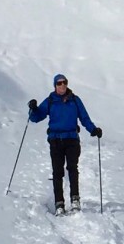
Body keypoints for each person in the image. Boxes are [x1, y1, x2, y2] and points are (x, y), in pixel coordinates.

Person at [27, 74, 101, 214]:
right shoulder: (50, 101)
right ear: (55, 85)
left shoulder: (74, 100)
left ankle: (75, 199)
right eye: (59, 83)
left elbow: (84, 117)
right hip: (55, 140)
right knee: (57, 172)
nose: (62, 85)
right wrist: (33, 109)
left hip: (72, 138)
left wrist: (93, 130)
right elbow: (36, 118)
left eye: (64, 83)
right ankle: (59, 203)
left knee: (72, 168)